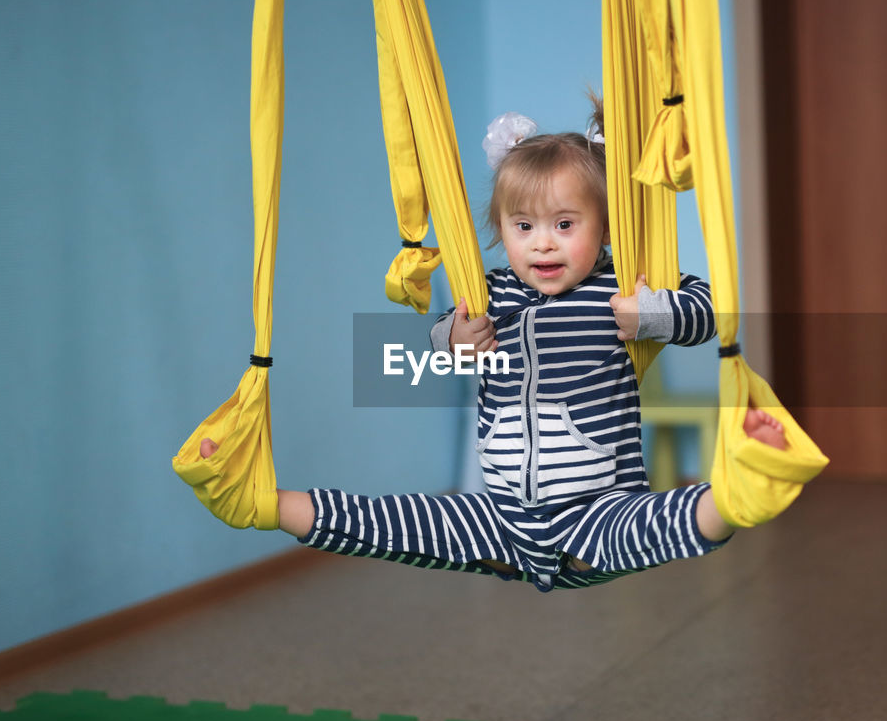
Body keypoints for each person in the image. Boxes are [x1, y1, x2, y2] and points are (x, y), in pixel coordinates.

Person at [200, 104, 788, 592]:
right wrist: (455, 339)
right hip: (499, 514)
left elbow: (711, 310)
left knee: (669, 521)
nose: (542, 245)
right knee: (394, 522)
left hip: (598, 511)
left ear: (605, 228)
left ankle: (742, 490)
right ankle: (263, 503)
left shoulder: (618, 287)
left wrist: (651, 315)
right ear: (500, 230)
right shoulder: (492, 292)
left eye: (565, 224)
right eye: (523, 227)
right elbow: (439, 348)